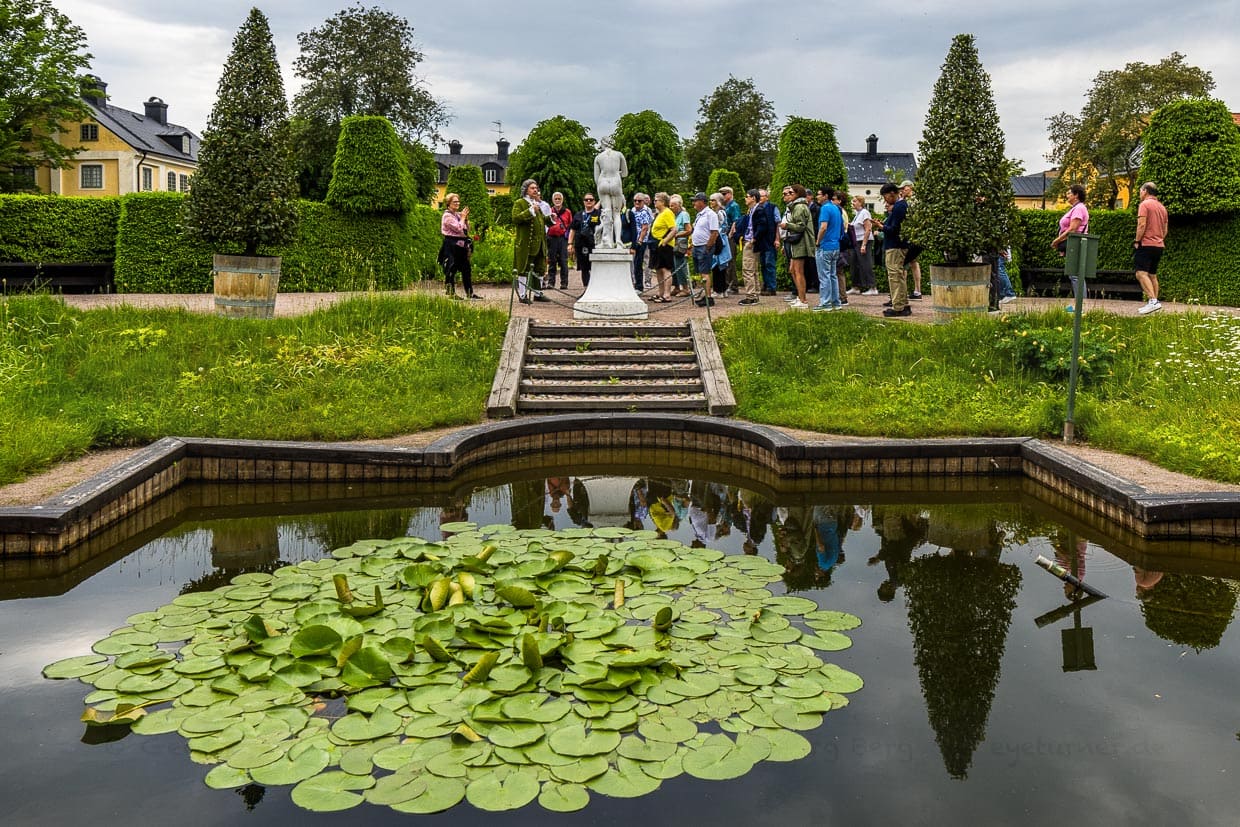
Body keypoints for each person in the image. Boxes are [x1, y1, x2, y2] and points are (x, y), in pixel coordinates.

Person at [512, 178, 550, 302]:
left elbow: (542, 220)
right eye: (532, 188)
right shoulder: (520, 203)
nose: (535, 190)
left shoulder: (536, 203)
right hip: (526, 244)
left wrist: (551, 218)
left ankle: (537, 293)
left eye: (536, 188)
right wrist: (530, 211)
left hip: (539, 244)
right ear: (526, 190)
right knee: (523, 269)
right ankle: (522, 296)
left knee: (539, 268)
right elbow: (516, 218)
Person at [1052, 183, 1090, 307]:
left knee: (1076, 275)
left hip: (1076, 243)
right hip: (1074, 243)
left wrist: (1057, 240)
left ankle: (1080, 305)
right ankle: (1079, 303)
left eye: (1069, 193)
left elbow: (1073, 229)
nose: (1067, 195)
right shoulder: (1076, 208)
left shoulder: (1079, 208)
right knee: (1074, 275)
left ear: (1076, 195)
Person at [1134, 181, 1168, 315]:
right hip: (1159, 245)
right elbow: (1165, 229)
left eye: (1140, 191)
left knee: (1140, 273)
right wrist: (1159, 238)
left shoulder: (1144, 205)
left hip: (1146, 244)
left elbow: (1141, 225)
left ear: (1145, 191)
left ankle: (1153, 301)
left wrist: (1137, 240)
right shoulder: (1162, 207)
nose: (1139, 194)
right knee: (1152, 275)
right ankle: (1153, 304)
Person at [779, 184, 814, 308]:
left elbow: (801, 226)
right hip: (797, 242)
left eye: (791, 193)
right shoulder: (797, 206)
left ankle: (803, 300)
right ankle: (800, 297)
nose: (788, 195)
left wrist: (787, 225)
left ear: (798, 194)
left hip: (800, 242)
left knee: (798, 271)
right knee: (793, 270)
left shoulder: (799, 207)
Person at [879, 182, 911, 316]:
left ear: (892, 194)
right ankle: (903, 304)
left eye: (885, 197)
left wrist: (882, 227)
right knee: (899, 275)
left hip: (895, 246)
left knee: (894, 277)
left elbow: (894, 229)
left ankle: (898, 307)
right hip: (899, 245)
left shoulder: (898, 207)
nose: (885, 200)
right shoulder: (902, 205)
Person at [438, 192, 477, 300]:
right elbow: (458, 228)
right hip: (451, 244)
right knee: (451, 268)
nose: (457, 203)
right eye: (454, 202)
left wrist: (466, 219)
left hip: (461, 244)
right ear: (448, 203)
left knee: (466, 268)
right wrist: (463, 217)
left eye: (458, 201)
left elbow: (466, 230)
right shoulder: (447, 216)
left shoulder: (457, 215)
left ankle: (470, 293)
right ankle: (451, 293)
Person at [813, 186, 843, 311]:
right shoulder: (836, 208)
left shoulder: (825, 208)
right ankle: (836, 302)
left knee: (824, 276)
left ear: (825, 196)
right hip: (835, 245)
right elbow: (841, 228)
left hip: (825, 246)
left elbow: (823, 227)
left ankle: (825, 303)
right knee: (832, 275)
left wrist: (818, 241)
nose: (817, 196)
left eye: (819, 194)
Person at [593, 144, 628, 247]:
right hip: (615, 182)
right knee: (616, 214)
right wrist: (617, 173)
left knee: (607, 212)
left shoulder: (598, 157)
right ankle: (618, 240)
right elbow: (625, 173)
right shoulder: (619, 154)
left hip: (602, 182)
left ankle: (607, 240)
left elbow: (596, 178)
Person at [690, 192, 720, 307]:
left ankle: (708, 297)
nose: (694, 203)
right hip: (698, 245)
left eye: (695, 201)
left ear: (702, 202)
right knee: (701, 272)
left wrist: (708, 246)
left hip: (704, 246)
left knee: (705, 272)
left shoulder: (710, 214)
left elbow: (714, 232)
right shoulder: (700, 215)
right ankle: (705, 294)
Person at [569, 193, 601, 289]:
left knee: (595, 268)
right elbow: (572, 230)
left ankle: (597, 289)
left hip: (594, 245)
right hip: (581, 245)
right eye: (586, 200)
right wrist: (570, 244)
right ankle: (586, 289)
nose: (588, 201)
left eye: (591, 200)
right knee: (584, 268)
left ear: (594, 201)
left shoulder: (599, 213)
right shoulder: (578, 215)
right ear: (583, 202)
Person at [648, 192, 676, 302]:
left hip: (664, 245)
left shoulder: (668, 213)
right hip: (655, 244)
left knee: (665, 269)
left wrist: (665, 241)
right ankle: (661, 292)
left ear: (663, 202)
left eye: (656, 200)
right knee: (658, 269)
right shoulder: (659, 213)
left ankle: (667, 294)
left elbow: (674, 229)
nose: (654, 202)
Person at [847, 194, 878, 295]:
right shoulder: (857, 214)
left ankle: (872, 287)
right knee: (854, 264)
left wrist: (864, 244)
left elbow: (868, 229)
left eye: (855, 201)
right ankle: (856, 286)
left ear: (860, 202)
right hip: (856, 241)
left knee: (866, 263)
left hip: (864, 240)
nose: (853, 203)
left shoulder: (865, 213)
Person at [752, 188, 779, 295]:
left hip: (770, 240)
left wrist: (777, 239)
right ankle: (766, 284)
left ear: (767, 197)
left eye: (762, 196)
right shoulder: (757, 208)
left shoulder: (773, 207)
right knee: (763, 264)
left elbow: (778, 223)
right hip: (761, 241)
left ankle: (772, 287)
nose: (760, 198)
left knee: (769, 264)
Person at [899, 180, 923, 299]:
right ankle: (917, 291)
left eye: (904, 188)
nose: (902, 190)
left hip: (912, 236)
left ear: (910, 188)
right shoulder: (915, 201)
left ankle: (901, 292)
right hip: (916, 235)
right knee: (913, 262)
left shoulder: (911, 202)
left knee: (903, 262)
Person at [546, 192, 573, 290]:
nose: (557, 201)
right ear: (553, 200)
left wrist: (570, 241)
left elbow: (571, 226)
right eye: (556, 199)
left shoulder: (567, 212)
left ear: (562, 200)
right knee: (552, 261)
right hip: (551, 238)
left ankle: (564, 283)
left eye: (559, 199)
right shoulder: (549, 211)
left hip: (562, 239)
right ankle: (551, 282)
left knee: (563, 261)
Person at [737, 189, 760, 305]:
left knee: (748, 269)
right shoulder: (751, 210)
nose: (745, 199)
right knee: (753, 269)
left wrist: (753, 239)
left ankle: (751, 296)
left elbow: (762, 225)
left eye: (747, 196)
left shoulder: (758, 210)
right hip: (750, 241)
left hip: (751, 242)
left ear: (753, 198)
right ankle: (755, 294)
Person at [709, 192, 732, 298]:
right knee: (719, 266)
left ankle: (719, 290)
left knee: (718, 266)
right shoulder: (717, 212)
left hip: (719, 240)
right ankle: (722, 289)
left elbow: (723, 227)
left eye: (713, 200)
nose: (711, 202)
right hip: (720, 239)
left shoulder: (719, 213)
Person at [630, 192, 654, 291]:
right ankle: (635, 283)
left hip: (641, 241)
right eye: (635, 200)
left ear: (644, 202)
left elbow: (645, 227)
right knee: (634, 263)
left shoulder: (644, 212)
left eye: (639, 201)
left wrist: (640, 240)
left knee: (638, 263)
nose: (637, 202)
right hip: (633, 240)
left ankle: (639, 286)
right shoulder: (633, 210)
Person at [721, 186, 743, 294]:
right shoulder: (725, 206)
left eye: (724, 194)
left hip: (730, 236)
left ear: (730, 194)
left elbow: (736, 220)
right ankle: (727, 284)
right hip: (724, 235)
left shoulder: (734, 205)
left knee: (730, 261)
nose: (722, 196)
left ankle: (733, 286)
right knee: (726, 261)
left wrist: (730, 234)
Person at [670, 194, 693, 296]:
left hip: (680, 243)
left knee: (680, 265)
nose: (671, 207)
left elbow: (689, 230)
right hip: (673, 243)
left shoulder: (684, 214)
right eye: (670, 205)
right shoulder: (673, 215)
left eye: (673, 205)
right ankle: (676, 287)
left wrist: (675, 235)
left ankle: (685, 288)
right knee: (673, 266)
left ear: (679, 205)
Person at [831, 190, 851, 303]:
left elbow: (842, 228)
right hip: (840, 243)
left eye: (833, 199)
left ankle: (842, 297)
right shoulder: (841, 211)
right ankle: (840, 296)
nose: (832, 201)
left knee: (838, 271)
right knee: (838, 271)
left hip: (839, 243)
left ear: (839, 201)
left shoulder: (840, 212)